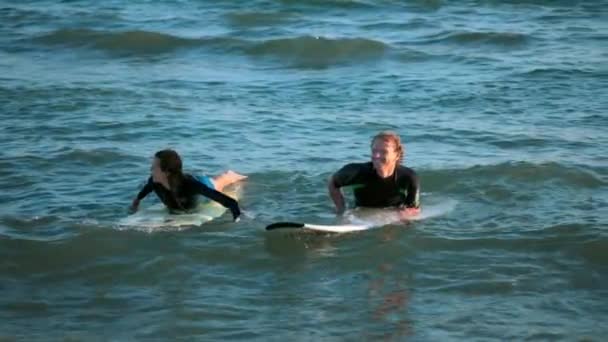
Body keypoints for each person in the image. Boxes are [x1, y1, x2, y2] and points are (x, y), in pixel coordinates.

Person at [129, 149, 246, 221]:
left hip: (201, 183)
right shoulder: (154, 181)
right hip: (183, 181)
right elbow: (143, 193)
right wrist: (136, 203)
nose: (150, 169)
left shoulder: (191, 186)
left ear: (167, 172)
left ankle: (229, 175)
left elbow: (230, 202)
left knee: (219, 183)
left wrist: (237, 217)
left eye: (154, 167)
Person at [327, 131, 420, 218]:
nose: (376, 155)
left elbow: (413, 208)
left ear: (397, 155)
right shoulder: (357, 172)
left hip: (392, 213)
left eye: (384, 152)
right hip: (361, 211)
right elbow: (333, 181)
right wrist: (341, 210)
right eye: (374, 151)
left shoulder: (409, 177)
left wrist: (404, 215)